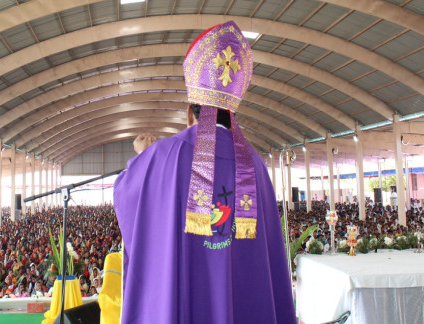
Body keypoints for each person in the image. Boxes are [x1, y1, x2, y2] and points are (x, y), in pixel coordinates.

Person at [114, 21, 296, 323]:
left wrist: (143, 157)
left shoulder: (163, 156)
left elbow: (126, 195)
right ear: (232, 110)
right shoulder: (258, 165)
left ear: (190, 110)